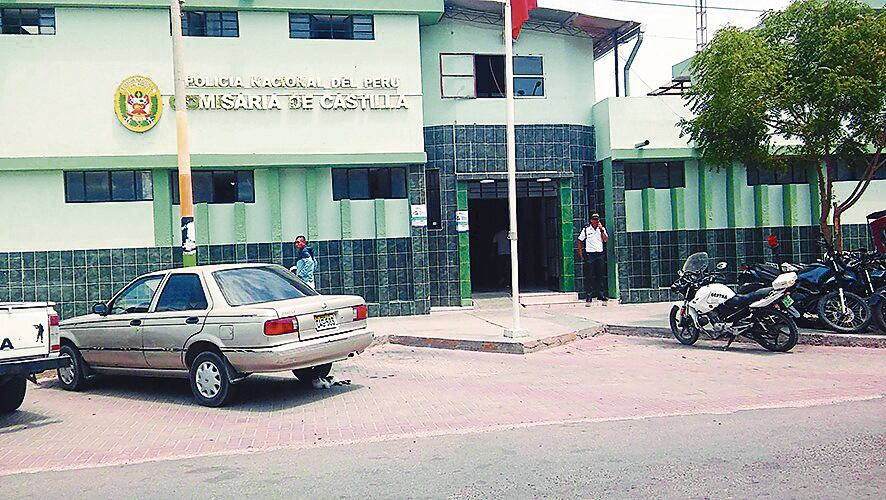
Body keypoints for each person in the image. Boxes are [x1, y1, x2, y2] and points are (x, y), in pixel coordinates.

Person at [578, 212, 608, 302]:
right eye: (594, 220)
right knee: (590, 276)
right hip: (590, 255)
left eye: (597, 220)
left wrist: (602, 230)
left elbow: (605, 239)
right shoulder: (586, 229)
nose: (596, 221)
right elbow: (580, 240)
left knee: (600, 275)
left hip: (599, 254)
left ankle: (601, 294)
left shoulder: (601, 229)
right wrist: (580, 251)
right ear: (591, 220)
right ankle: (589, 295)